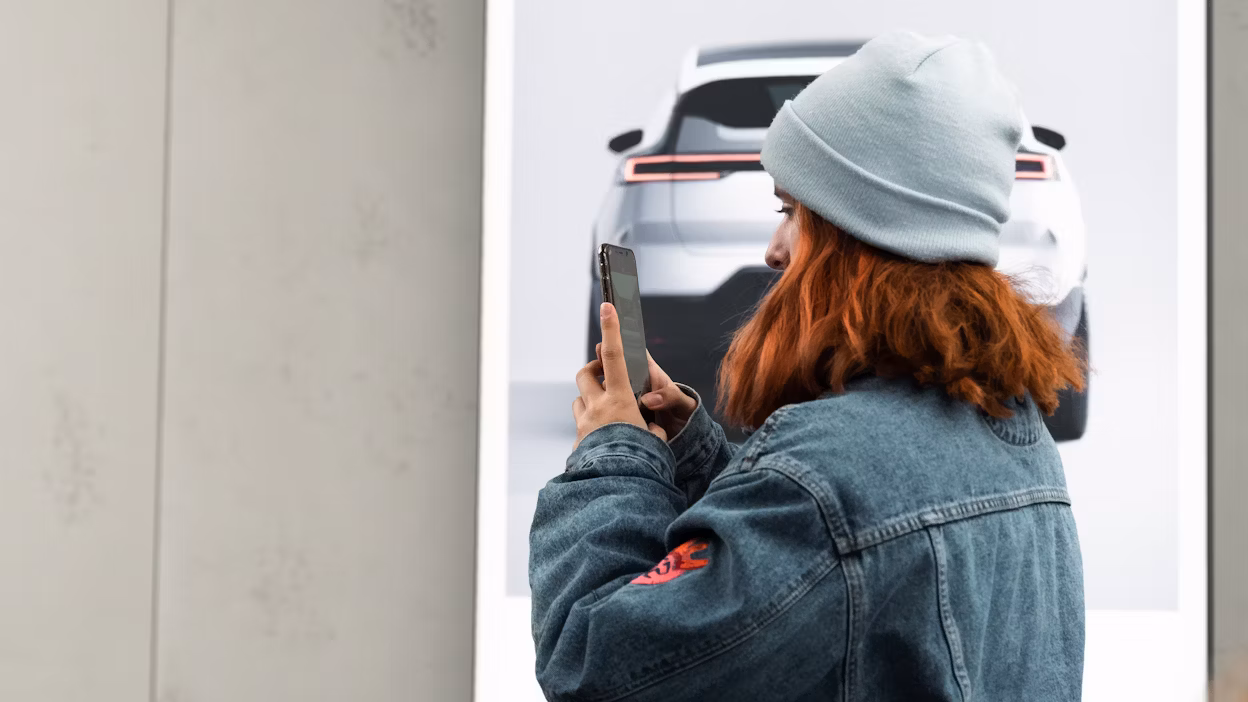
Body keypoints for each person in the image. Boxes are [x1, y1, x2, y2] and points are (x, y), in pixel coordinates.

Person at [529, 30, 1086, 701]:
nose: (773, 249)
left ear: (861, 234)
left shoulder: (830, 480)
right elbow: (842, 561)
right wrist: (694, 450)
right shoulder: (1013, 429)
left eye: (790, 212)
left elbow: (593, 662)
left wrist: (612, 454)